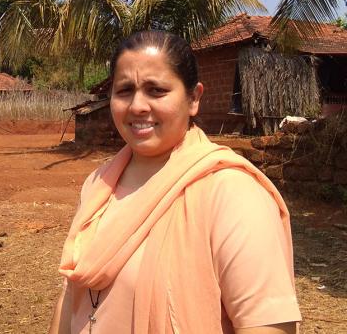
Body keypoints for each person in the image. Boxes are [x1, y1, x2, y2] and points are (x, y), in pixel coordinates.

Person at [49, 31, 302, 334]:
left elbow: (266, 325)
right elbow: (71, 292)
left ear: (193, 98)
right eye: (125, 90)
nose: (137, 106)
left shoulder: (231, 193)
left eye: (156, 90)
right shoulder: (98, 184)